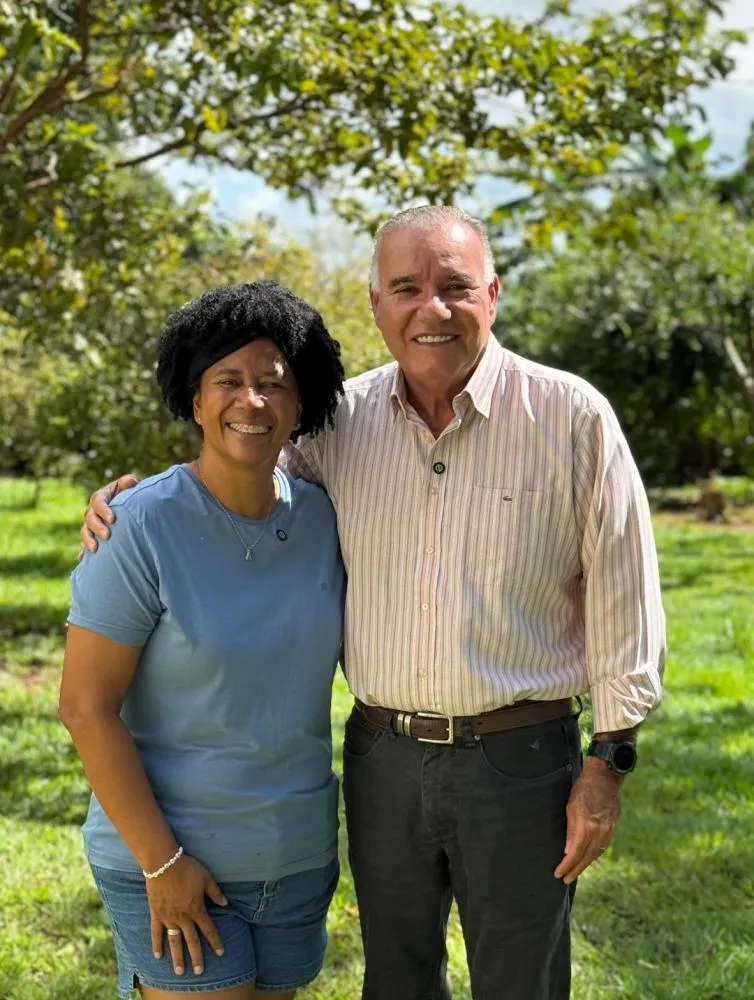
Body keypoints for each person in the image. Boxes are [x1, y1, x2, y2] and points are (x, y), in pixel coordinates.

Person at [82, 206, 666, 1000]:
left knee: (520, 982)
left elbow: (627, 602)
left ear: (492, 294)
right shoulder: (339, 423)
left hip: (521, 762)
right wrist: (129, 500)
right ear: (376, 305)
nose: (434, 309)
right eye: (408, 288)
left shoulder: (570, 418)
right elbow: (238, 460)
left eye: (456, 287)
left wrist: (608, 764)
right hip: (380, 759)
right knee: (396, 980)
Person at [61, 280, 346, 1000]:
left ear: (301, 405)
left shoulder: (327, 520)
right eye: (229, 381)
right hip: (170, 857)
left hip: (297, 855)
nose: (251, 401)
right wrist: (162, 864)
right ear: (194, 400)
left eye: (273, 384)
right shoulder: (139, 526)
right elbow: (85, 707)